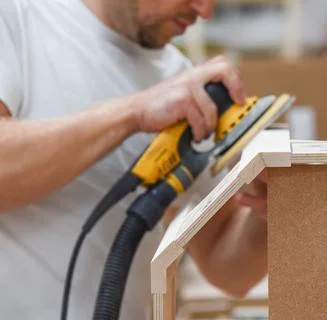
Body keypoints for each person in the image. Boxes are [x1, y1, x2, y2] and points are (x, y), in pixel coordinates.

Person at [0, 0, 268, 319]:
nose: (204, 11)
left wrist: (266, 211)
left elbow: (226, 270)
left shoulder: (182, 82)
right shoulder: (18, 19)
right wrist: (135, 113)